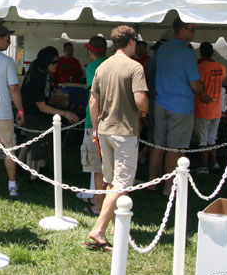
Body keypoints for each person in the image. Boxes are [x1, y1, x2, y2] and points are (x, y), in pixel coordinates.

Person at [86, 26, 149, 250]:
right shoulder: (135, 67)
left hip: (104, 129)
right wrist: (144, 112)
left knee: (111, 180)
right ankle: (99, 229)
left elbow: (94, 101)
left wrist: (95, 127)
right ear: (131, 42)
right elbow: (141, 101)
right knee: (121, 183)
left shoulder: (102, 67)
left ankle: (114, 227)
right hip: (124, 131)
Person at [147, 18, 211, 195]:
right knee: (175, 149)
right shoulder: (187, 53)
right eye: (191, 29)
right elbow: (195, 84)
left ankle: (152, 183)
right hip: (180, 107)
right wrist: (203, 93)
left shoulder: (162, 49)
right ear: (182, 30)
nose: (193, 33)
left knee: (158, 145)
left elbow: (150, 71)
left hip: (160, 103)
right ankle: (169, 188)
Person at [21, 46, 80, 176]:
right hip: (34, 114)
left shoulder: (42, 70)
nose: (56, 65)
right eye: (54, 62)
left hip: (38, 113)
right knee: (39, 144)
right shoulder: (37, 76)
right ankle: (35, 176)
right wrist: (65, 113)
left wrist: (57, 102)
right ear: (45, 61)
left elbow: (45, 98)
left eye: (57, 61)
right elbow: (41, 106)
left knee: (30, 142)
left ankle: (21, 167)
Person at [0, 23, 26, 197]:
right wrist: (20, 111)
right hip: (2, 112)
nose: (9, 43)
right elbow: (14, 89)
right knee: (9, 148)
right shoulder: (7, 61)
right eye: (7, 39)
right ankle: (12, 184)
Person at [79, 35, 108, 215]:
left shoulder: (92, 67)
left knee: (97, 167)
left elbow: (94, 96)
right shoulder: (111, 64)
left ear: (91, 51)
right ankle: (102, 202)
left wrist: (95, 124)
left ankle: (99, 206)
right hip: (112, 120)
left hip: (95, 121)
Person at [194, 42, 227, 173]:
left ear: (201, 53)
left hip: (203, 108)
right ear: (212, 52)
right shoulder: (221, 67)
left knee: (203, 140)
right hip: (216, 108)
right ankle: (214, 163)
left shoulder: (201, 68)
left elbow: (197, 85)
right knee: (212, 139)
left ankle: (203, 166)